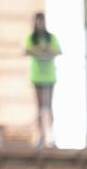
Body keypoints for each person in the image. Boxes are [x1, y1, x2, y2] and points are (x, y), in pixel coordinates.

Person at [24, 12, 61, 148]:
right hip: (37, 76)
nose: (40, 24)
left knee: (49, 107)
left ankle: (51, 136)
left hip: (49, 75)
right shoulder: (31, 38)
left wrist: (47, 50)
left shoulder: (51, 38)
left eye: (42, 21)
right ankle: (40, 136)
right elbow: (26, 51)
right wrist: (39, 50)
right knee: (40, 107)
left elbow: (58, 51)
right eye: (38, 21)